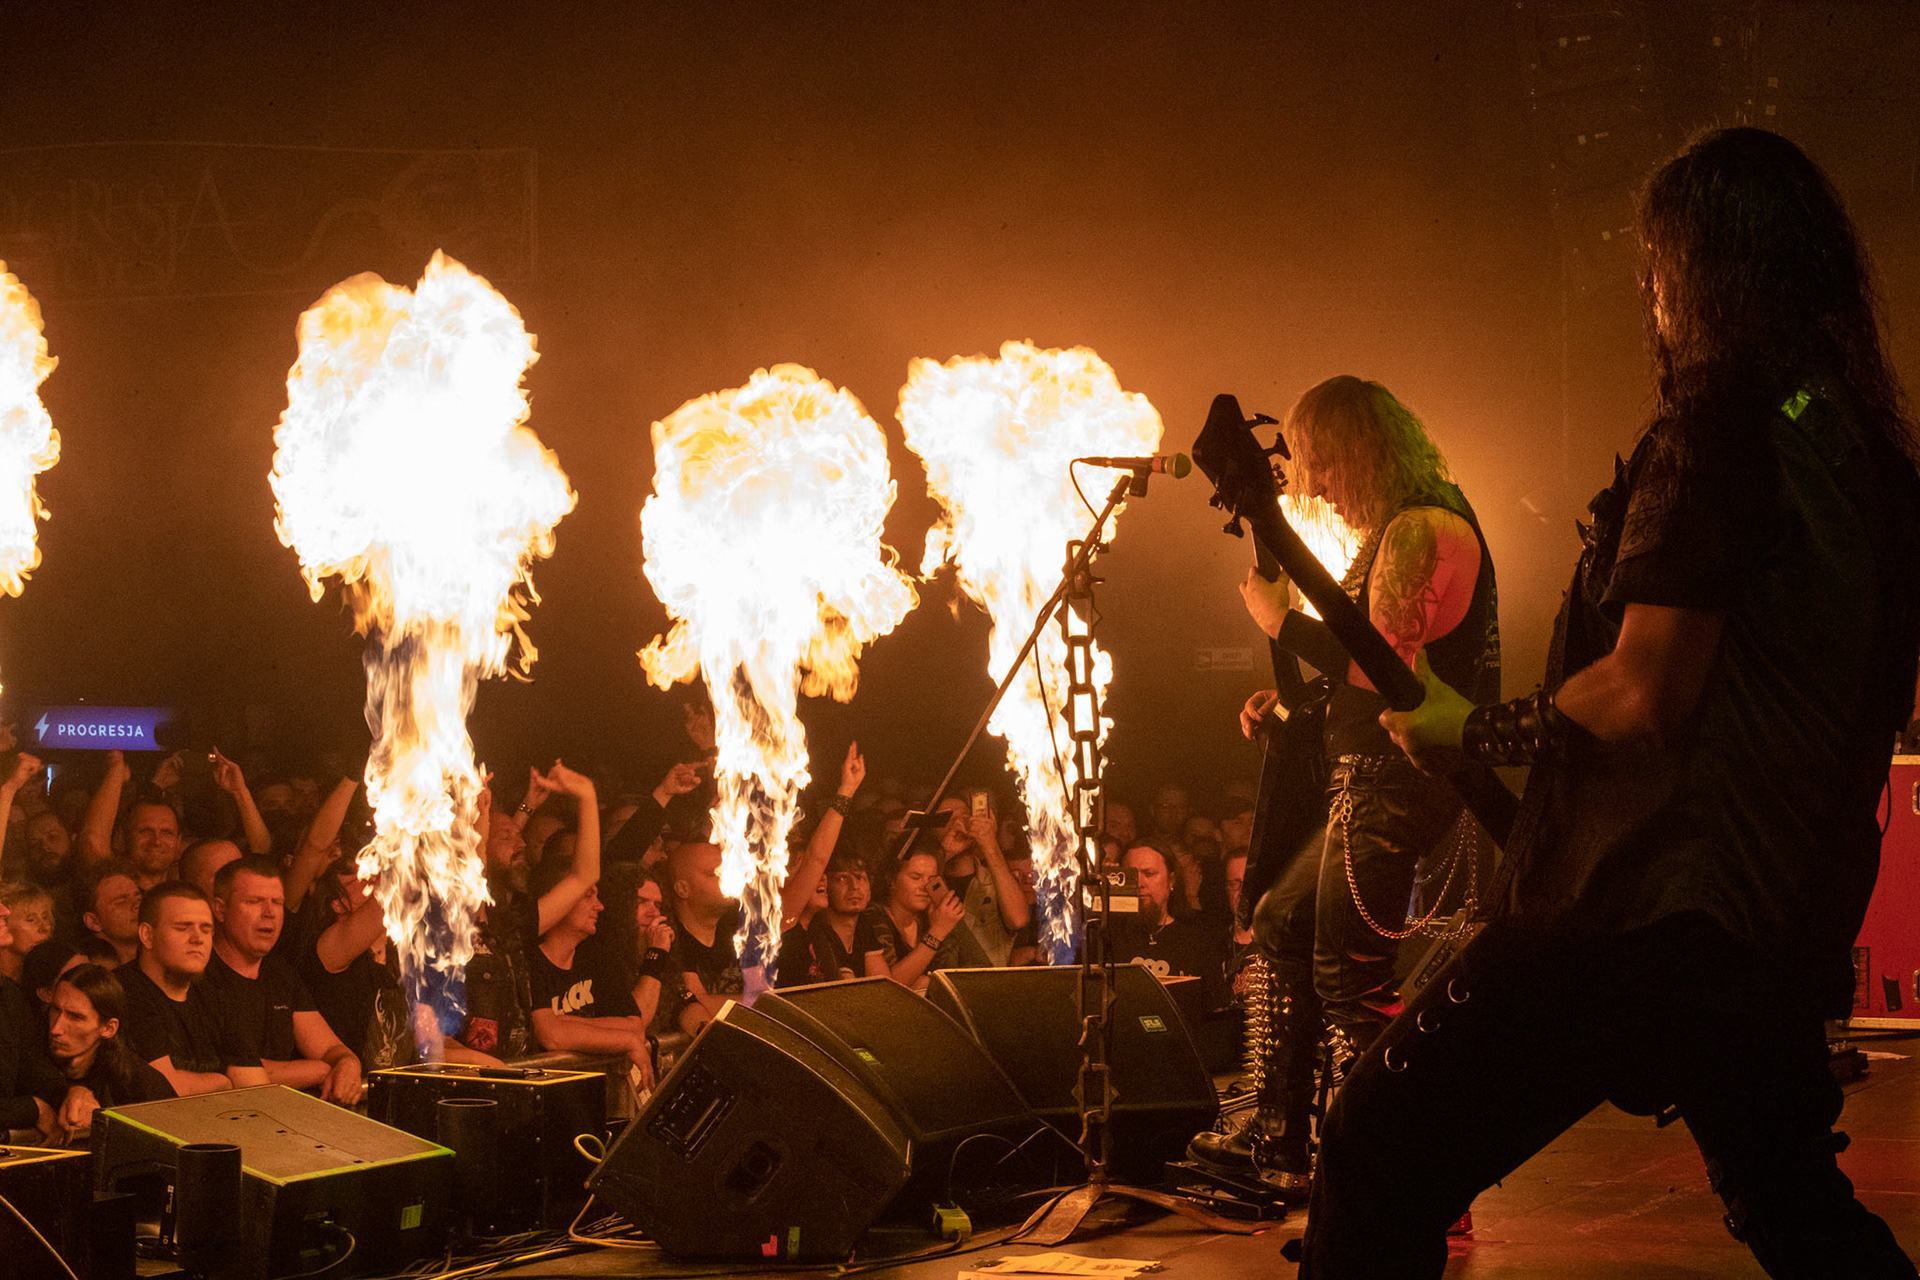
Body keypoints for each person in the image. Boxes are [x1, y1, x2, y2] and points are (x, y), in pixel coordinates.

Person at [1308, 129, 1920, 1276]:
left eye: (1657, 265)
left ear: (1703, 270)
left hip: (1650, 916)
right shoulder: (1868, 465)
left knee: (1377, 1143)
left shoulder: (1719, 431)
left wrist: (1465, 725)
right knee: (1796, 1206)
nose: (1649, 293)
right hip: (1777, 928)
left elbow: (1647, 690)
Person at [1195, 371, 1500, 1190]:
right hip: (1365, 775)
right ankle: (1279, 1138)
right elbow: (1365, 673)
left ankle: (1411, 1175)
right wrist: (1294, 709)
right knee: (1281, 920)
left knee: (1352, 980)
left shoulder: (1426, 528)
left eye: (1323, 465)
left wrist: (1279, 622)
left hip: (1400, 779)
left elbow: (1390, 670)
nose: (1317, 486)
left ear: (1360, 450)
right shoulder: (1394, 531)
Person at [203, 856, 363, 1104]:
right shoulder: (200, 975)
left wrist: (347, 1064)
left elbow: (330, 1048)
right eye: (254, 902)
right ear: (220, 909)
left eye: (277, 902)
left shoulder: (279, 972)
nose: (269, 914)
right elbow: (243, 1072)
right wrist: (322, 1070)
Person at [116, 883, 269, 1096]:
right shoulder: (122, 991)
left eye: (206, 929)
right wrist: (223, 1082)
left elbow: (256, 1088)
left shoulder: (218, 995)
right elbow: (165, 1090)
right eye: (182, 927)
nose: (197, 938)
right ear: (147, 936)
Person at [524, 853, 654, 1086]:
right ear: (558, 901)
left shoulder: (596, 956)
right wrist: (621, 1039)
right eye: (588, 896)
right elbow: (550, 1037)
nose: (600, 906)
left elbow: (634, 1025)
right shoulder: (527, 961)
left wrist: (561, 1022)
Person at [46, 964, 175, 1132]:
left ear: (108, 1028)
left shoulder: (138, 1084)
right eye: (55, 1010)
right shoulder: (32, 1058)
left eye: (75, 1017)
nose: (56, 1029)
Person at [928, 791, 1031, 966]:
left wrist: (990, 844)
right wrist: (945, 853)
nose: (958, 824)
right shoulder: (927, 882)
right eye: (947, 819)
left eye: (965, 816)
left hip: (988, 988)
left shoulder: (996, 880)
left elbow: (1018, 919)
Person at [869, 847, 985, 993]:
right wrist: (937, 932)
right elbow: (888, 985)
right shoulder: (873, 917)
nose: (925, 887)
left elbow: (980, 967)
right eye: (916, 878)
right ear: (892, 879)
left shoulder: (933, 916)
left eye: (932, 880)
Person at [806, 849, 889, 981]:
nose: (854, 886)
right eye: (842, 878)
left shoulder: (864, 925)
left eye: (860, 877)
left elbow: (883, 985)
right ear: (826, 886)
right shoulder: (818, 931)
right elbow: (848, 989)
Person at [79, 860, 142, 966]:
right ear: (93, 921)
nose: (137, 905)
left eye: (139, 899)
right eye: (121, 902)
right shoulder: (86, 973)